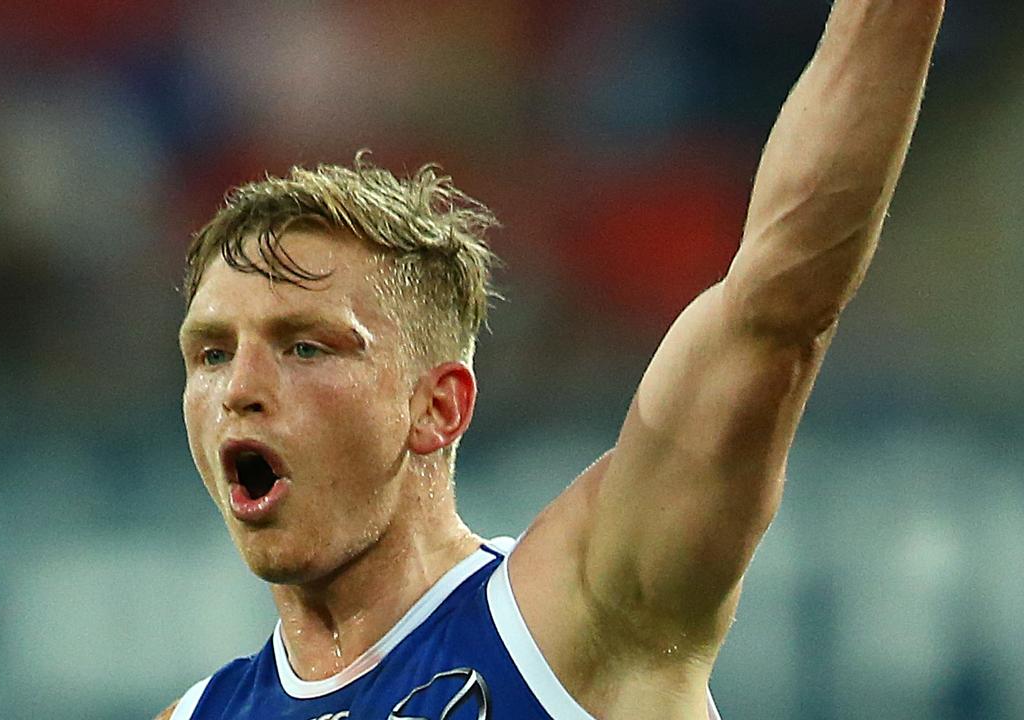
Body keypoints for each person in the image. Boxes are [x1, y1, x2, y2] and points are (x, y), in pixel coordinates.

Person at [158, 3, 945, 718]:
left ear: (438, 407)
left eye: (304, 346)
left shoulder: (581, 615)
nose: (241, 390)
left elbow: (780, 302)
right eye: (213, 353)